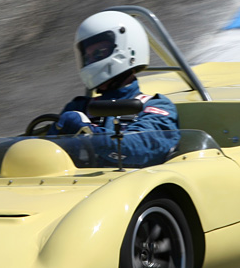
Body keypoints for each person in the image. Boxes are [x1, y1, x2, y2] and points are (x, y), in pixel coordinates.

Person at [49, 10, 179, 167]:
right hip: (75, 186)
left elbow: (141, 151)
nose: (91, 61)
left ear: (129, 49)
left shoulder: (156, 106)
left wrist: (90, 135)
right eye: (87, 57)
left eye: (98, 54)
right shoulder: (79, 108)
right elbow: (45, 155)